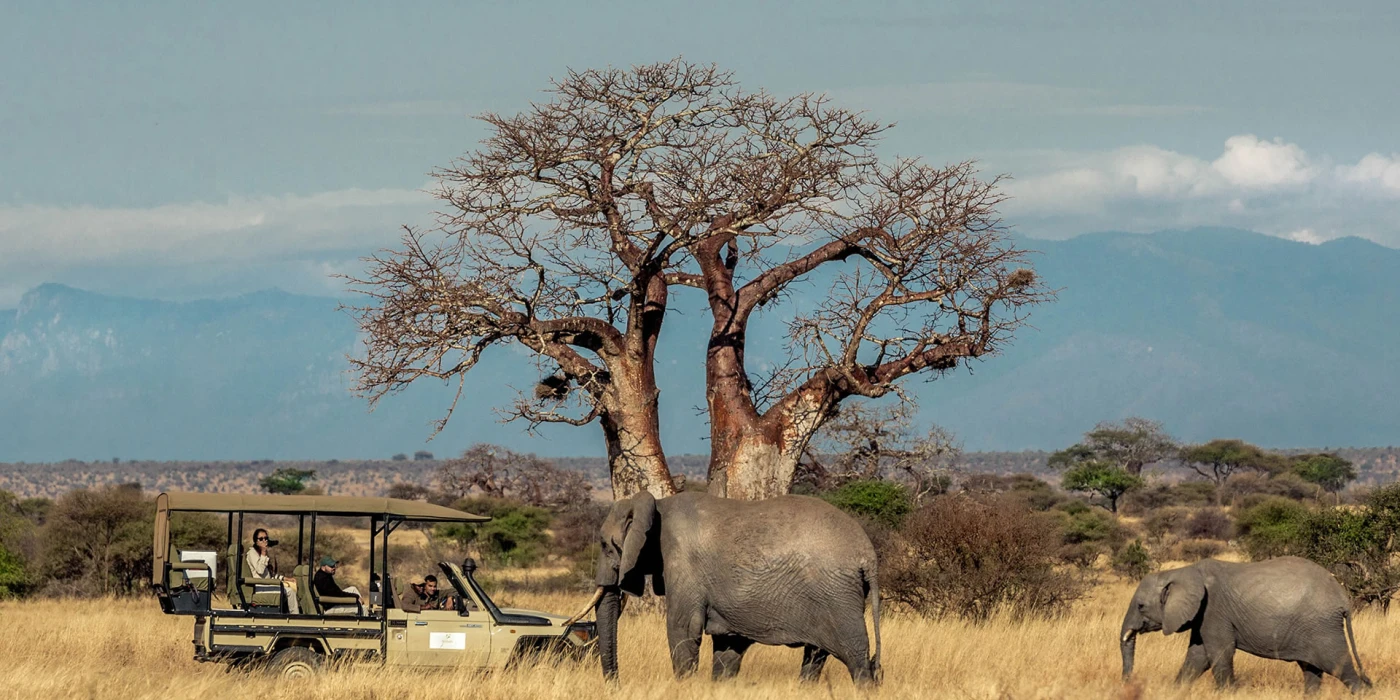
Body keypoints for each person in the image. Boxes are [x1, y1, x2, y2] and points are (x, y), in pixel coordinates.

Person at [247, 528, 299, 614]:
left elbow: (270, 575)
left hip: (268, 583)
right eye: (261, 539)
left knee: (292, 587)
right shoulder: (252, 553)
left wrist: (286, 579)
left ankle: (288, 613)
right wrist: (263, 553)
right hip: (261, 586)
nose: (264, 541)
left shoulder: (262, 553)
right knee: (289, 591)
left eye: (266, 538)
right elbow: (260, 570)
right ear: (256, 541)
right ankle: (295, 616)